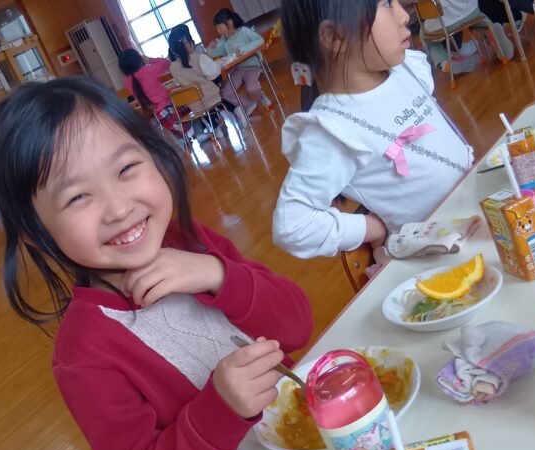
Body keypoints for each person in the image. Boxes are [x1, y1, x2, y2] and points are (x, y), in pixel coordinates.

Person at [0, 77, 313, 450]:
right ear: (36, 233)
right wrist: (221, 408)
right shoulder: (85, 353)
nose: (119, 208)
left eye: (126, 169)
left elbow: (297, 325)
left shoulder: (191, 242)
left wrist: (218, 274)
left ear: (154, 156)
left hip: (307, 447)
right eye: (78, 196)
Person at [273, 0, 474, 259]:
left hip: (473, 210)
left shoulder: (406, 70)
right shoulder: (331, 129)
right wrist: (371, 227)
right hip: (441, 254)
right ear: (335, 37)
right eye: (386, 4)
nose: (404, 15)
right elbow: (292, 227)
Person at [420, 0, 514, 74]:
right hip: (470, 9)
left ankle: (445, 64)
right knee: (477, 17)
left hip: (444, 22)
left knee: (425, 36)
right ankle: (489, 30)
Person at [117, 49, 194, 139]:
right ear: (138, 59)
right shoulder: (147, 70)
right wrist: (149, 60)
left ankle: (186, 138)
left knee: (178, 129)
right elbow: (166, 63)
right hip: (169, 110)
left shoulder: (127, 82)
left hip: (156, 116)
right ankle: (191, 132)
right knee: (191, 103)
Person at [168, 24, 228, 139]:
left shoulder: (173, 67)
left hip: (194, 105)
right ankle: (233, 111)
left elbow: (179, 81)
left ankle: (215, 128)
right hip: (211, 97)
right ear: (189, 43)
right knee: (217, 95)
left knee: (201, 105)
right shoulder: (198, 57)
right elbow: (214, 73)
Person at [207, 9, 265, 122]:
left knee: (252, 88)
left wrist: (244, 49)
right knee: (226, 94)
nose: (218, 30)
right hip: (238, 69)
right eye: (216, 28)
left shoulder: (243, 31)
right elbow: (215, 53)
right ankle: (250, 105)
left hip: (253, 66)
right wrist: (212, 48)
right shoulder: (224, 40)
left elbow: (260, 40)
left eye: (219, 26)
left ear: (229, 22)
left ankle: (260, 97)